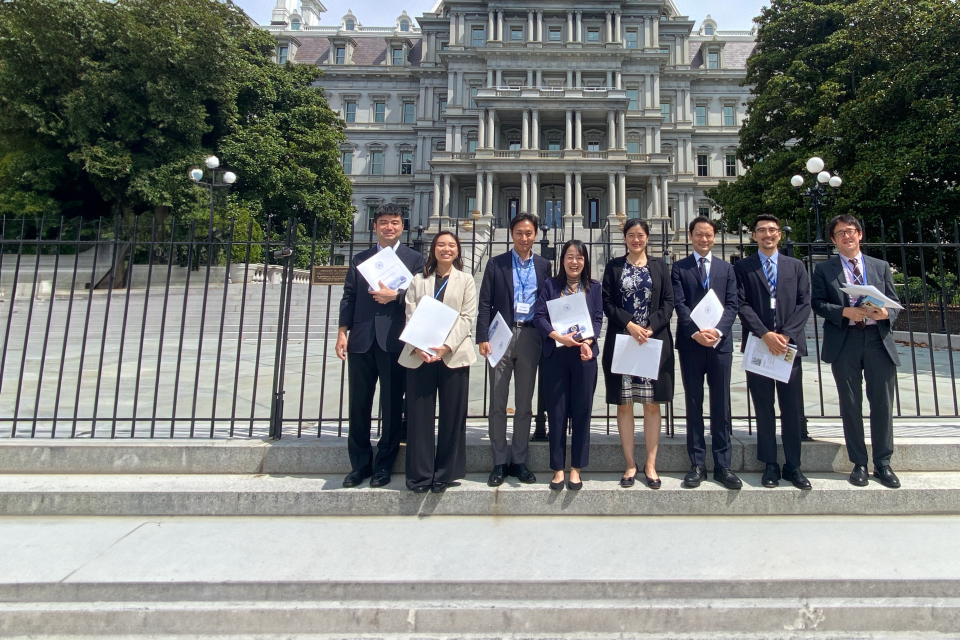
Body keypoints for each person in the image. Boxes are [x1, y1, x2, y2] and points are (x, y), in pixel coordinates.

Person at [336, 204, 425, 488]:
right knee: (358, 405)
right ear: (375, 226)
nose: (389, 227)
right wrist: (341, 333)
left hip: (394, 340)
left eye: (395, 222)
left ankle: (384, 465)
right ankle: (359, 464)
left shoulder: (414, 259)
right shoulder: (360, 258)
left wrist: (395, 296)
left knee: (391, 404)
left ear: (402, 226)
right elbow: (349, 296)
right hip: (361, 340)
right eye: (384, 222)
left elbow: (420, 298)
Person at [812, 214, 902, 488]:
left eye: (851, 231)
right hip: (845, 340)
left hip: (877, 339)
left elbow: (895, 304)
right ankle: (859, 463)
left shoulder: (880, 266)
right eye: (840, 233)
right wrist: (844, 311)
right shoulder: (825, 270)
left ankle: (883, 463)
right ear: (833, 240)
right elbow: (817, 303)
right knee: (850, 404)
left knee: (883, 404)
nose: (846, 237)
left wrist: (886, 313)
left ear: (860, 234)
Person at [735, 215, 812, 490]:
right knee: (763, 408)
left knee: (792, 408)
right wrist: (764, 334)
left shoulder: (796, 266)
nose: (767, 234)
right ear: (753, 236)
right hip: (759, 346)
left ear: (779, 234)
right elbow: (741, 304)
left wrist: (786, 335)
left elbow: (805, 302)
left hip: (788, 348)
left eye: (772, 230)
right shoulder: (743, 267)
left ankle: (794, 465)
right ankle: (770, 463)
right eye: (761, 231)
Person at [476, 213, 553, 487]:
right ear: (511, 234)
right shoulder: (496, 264)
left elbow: (550, 301)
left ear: (535, 235)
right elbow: (485, 302)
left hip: (531, 334)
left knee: (524, 404)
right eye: (519, 232)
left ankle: (519, 460)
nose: (524, 238)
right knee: (497, 402)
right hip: (501, 335)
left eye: (529, 233)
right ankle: (499, 460)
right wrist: (482, 336)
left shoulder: (544, 265)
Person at [398, 231, 478, 493]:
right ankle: (420, 475)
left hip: (453, 354)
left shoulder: (466, 280)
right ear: (433, 249)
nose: (446, 249)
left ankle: (446, 472)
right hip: (420, 354)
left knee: (453, 415)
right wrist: (420, 345)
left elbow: (467, 317)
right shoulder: (419, 280)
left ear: (458, 251)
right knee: (419, 416)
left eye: (451, 245)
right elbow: (410, 313)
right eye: (441, 245)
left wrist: (445, 346)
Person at [600, 219, 674, 490]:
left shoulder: (660, 266)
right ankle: (630, 463)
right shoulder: (614, 267)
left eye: (640, 235)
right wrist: (630, 324)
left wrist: (651, 327)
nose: (636, 239)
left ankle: (650, 464)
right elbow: (606, 302)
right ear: (625, 238)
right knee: (625, 404)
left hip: (651, 342)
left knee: (652, 403)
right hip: (624, 340)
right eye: (631, 235)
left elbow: (669, 301)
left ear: (647, 237)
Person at [672, 216, 741, 490]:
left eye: (708, 235)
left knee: (721, 403)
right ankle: (697, 463)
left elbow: (733, 305)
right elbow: (680, 304)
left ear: (714, 237)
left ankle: (723, 464)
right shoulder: (680, 267)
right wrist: (695, 332)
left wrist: (718, 332)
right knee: (693, 403)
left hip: (720, 345)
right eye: (699, 234)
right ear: (691, 236)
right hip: (691, 344)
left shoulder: (726, 268)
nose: (704, 239)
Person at [533, 240, 603, 491]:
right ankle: (558, 469)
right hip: (556, 355)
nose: (575, 262)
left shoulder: (594, 287)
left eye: (580, 257)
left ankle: (576, 468)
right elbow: (539, 316)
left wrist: (588, 340)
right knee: (557, 413)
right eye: (570, 257)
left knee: (583, 411)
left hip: (584, 355)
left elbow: (597, 318)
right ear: (562, 260)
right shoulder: (551, 285)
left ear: (585, 261)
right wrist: (557, 336)